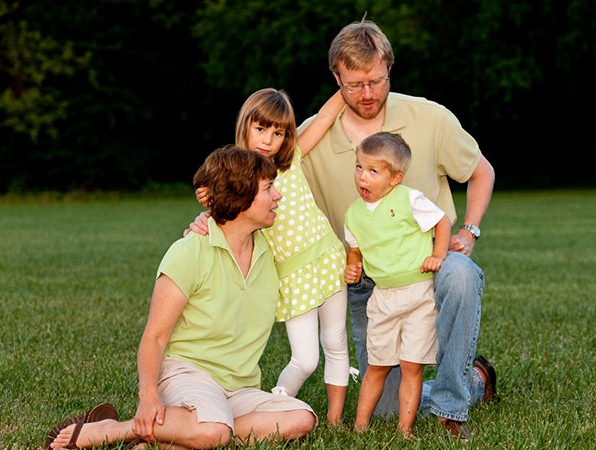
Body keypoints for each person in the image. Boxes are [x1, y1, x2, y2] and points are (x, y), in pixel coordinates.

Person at [299, 19, 497, 439]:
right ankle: (476, 378)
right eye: (354, 85)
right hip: (366, 280)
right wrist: (210, 213)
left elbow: (481, 170)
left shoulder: (429, 116)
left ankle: (451, 407)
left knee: (461, 275)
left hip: (427, 264)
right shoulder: (313, 136)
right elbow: (256, 175)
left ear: (390, 68)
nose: (368, 94)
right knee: (387, 413)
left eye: (376, 80)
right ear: (336, 78)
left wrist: (470, 230)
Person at [46, 147, 317, 450]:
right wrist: (148, 399)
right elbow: (155, 336)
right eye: (268, 188)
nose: (278, 195)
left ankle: (174, 437)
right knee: (215, 430)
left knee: (301, 417)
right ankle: (118, 429)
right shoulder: (189, 252)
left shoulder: (270, 249)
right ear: (240, 197)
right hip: (188, 374)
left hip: (239, 388)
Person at [189, 88, 351, 424]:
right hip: (293, 278)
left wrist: (348, 85)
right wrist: (202, 219)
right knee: (305, 359)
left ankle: (336, 420)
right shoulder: (238, 180)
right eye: (261, 129)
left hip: (328, 258)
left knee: (335, 343)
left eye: (278, 133)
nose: (268, 140)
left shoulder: (291, 161)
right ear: (245, 125)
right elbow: (221, 214)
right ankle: (276, 403)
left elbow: (323, 117)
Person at [343, 133, 450, 437]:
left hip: (418, 295)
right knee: (376, 366)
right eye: (359, 167)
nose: (363, 177)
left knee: (411, 365)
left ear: (394, 178)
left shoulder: (408, 198)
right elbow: (355, 248)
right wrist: (353, 266)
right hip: (383, 298)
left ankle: (405, 429)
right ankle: (359, 426)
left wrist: (437, 255)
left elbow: (441, 221)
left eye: (373, 171)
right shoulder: (352, 214)